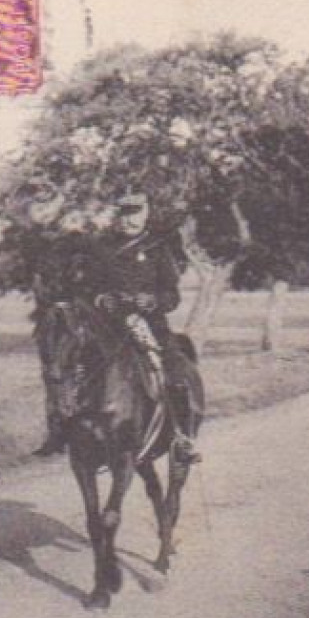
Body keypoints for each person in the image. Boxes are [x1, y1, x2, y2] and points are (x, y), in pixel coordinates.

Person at [94, 191, 200, 464]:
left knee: (175, 373)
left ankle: (181, 438)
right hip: (110, 325)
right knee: (76, 367)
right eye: (124, 214)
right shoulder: (102, 247)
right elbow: (88, 287)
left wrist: (152, 301)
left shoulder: (157, 249)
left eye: (135, 213)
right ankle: (67, 432)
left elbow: (172, 295)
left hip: (151, 324)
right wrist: (101, 298)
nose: (129, 220)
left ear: (145, 214)